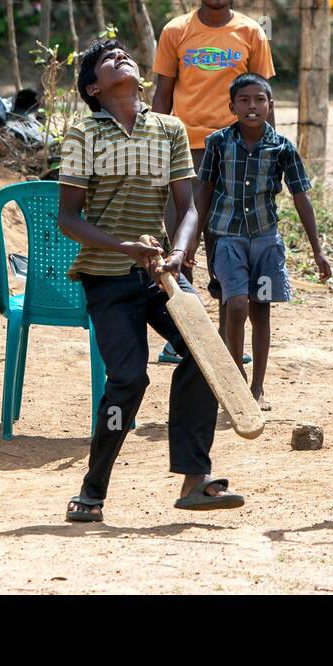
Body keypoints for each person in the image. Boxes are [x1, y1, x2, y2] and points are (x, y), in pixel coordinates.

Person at [58, 36, 245, 523]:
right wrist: (125, 248)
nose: (121, 59)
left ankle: (194, 479)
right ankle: (93, 489)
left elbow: (188, 209)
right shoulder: (84, 134)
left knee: (206, 356)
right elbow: (69, 219)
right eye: (106, 60)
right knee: (128, 380)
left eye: (124, 55)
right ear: (94, 89)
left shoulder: (169, 129)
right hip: (106, 277)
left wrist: (180, 253)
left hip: (161, 275)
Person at [151, 0, 275, 362]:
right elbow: (163, 95)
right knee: (179, 246)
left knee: (229, 246)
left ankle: (226, 343)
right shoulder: (175, 32)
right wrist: (153, 146)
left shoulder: (252, 33)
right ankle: (183, 337)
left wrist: (267, 153)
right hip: (184, 153)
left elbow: (262, 97)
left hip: (235, 155)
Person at [192, 73, 331, 410]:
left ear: (269, 106)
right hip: (227, 239)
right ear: (232, 106)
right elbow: (204, 192)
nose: (251, 106)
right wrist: (192, 242)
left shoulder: (282, 147)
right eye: (244, 100)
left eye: (259, 100)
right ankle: (236, 377)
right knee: (235, 304)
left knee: (261, 311)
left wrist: (317, 250)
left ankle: (257, 388)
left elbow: (301, 197)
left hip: (266, 242)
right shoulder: (218, 143)